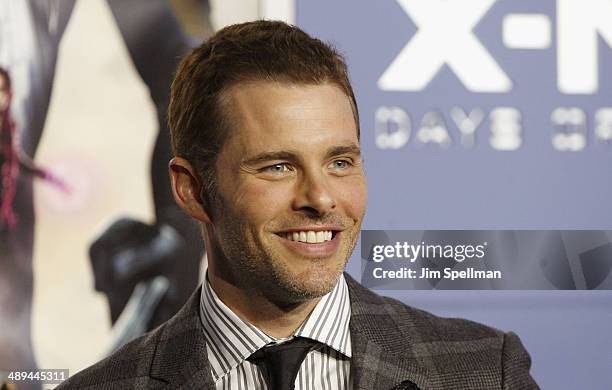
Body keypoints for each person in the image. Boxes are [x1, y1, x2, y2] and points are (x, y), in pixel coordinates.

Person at [57, 20, 539, 389]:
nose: (321, 198)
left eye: (340, 162)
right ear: (192, 190)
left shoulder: (482, 370)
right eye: (277, 167)